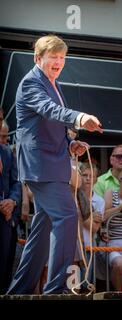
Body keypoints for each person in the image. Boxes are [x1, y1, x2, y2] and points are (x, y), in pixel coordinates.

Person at [8, 35, 103, 295]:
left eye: (62, 58)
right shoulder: (31, 83)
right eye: (53, 57)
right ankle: (56, 287)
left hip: (50, 163)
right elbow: (50, 110)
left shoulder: (51, 82)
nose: (59, 62)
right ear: (38, 58)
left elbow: (49, 123)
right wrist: (80, 117)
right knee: (67, 216)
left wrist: (70, 143)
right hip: (41, 165)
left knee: (43, 229)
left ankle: (20, 290)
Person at [102, 164, 122, 290]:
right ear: (119, 180)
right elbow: (103, 216)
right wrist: (120, 208)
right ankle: (119, 294)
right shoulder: (111, 194)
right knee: (119, 264)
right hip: (112, 244)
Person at [0, 108, 22, 294]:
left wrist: (12, 201)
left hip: (5, 221)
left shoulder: (7, 153)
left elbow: (16, 182)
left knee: (5, 271)